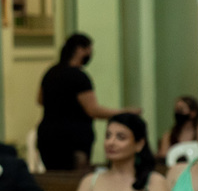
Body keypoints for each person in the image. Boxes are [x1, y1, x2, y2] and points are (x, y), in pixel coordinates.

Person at [37, 33, 141, 170]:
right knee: (74, 180)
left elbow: (40, 100)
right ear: (80, 50)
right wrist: (124, 112)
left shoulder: (50, 72)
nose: (91, 53)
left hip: (47, 137)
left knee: (54, 178)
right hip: (73, 141)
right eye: (89, 49)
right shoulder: (79, 77)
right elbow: (93, 110)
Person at [158, 95, 198, 162]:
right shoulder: (169, 135)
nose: (177, 113)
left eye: (181, 109)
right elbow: (164, 158)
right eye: (176, 109)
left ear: (193, 113)